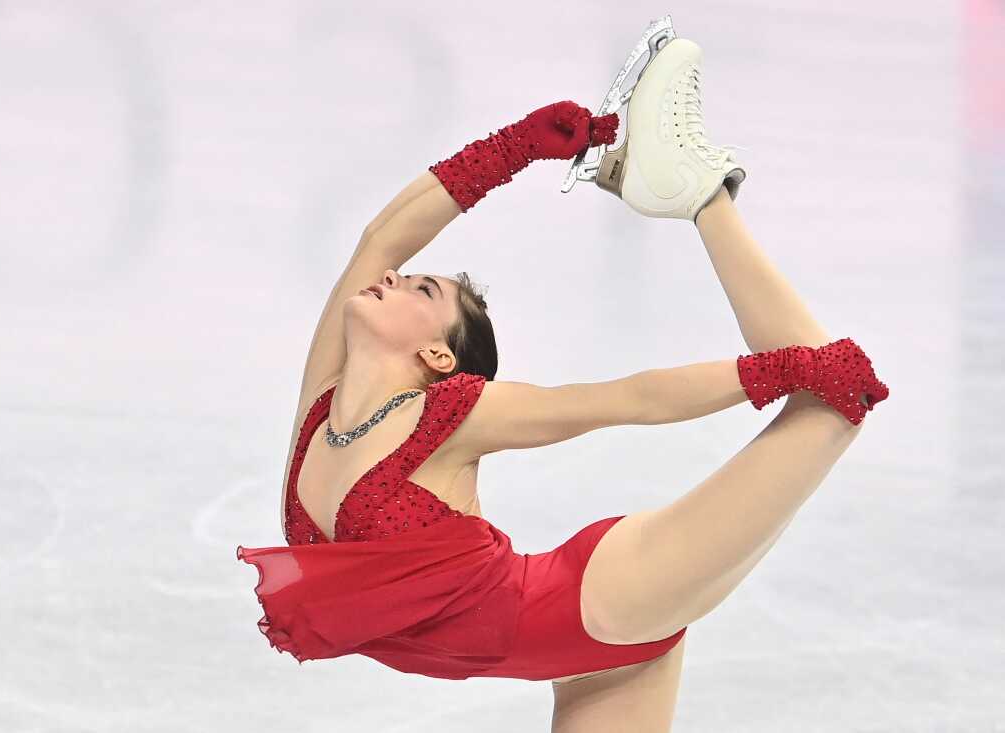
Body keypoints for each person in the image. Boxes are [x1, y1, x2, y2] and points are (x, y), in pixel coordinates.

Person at [237, 36, 889, 731]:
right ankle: (687, 191)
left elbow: (626, 399)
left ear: (436, 354)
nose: (393, 275)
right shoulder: (322, 407)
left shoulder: (450, 415)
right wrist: (515, 147)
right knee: (824, 390)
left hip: (611, 598)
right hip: (587, 655)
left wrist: (782, 370)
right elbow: (380, 238)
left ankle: (701, 195)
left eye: (422, 285)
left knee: (832, 403)